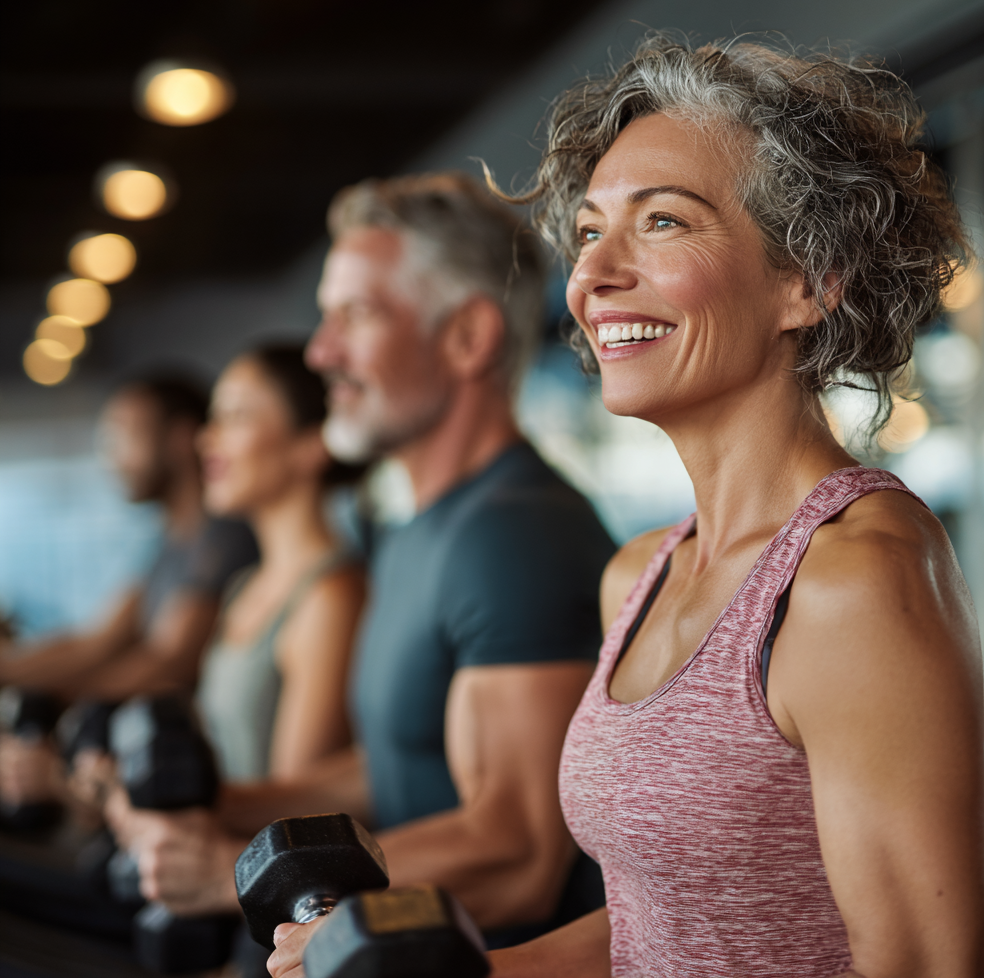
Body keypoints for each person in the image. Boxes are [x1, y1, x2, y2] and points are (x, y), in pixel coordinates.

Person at [466, 35, 984, 977]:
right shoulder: (641, 576)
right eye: (591, 232)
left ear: (807, 281)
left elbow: (923, 965)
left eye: (663, 223)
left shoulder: (849, 578)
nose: (593, 277)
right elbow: (665, 926)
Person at [124, 173, 616, 958]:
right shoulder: (415, 527)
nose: (321, 352)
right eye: (326, 319)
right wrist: (225, 811)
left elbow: (518, 849)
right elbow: (397, 760)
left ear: (466, 337)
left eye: (355, 315)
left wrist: (230, 876)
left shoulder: (516, 535)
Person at [105, 345, 367, 976]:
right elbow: (212, 759)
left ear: (311, 445)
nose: (205, 438)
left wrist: (181, 824)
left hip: (269, 932)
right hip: (215, 907)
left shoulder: (330, 594)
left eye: (237, 415)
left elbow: (293, 831)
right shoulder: (244, 586)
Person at [0, 375, 258, 812]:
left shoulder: (222, 537)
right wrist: (10, 668)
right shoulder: (172, 542)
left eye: (127, 435)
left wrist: (55, 691)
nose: (113, 457)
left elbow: (167, 662)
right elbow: (100, 639)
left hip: (213, 782)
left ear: (179, 438)